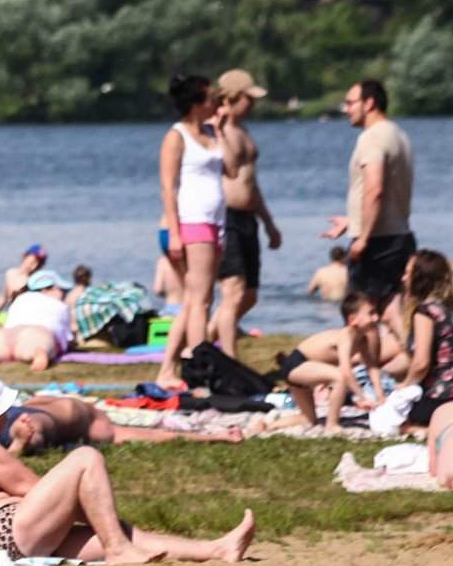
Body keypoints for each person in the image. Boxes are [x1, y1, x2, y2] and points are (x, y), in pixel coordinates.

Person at [0, 372, 255, 565]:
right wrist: (87, 504)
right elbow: (30, 488)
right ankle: (118, 550)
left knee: (121, 532)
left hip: (7, 539)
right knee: (86, 458)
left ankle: (216, 550)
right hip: (15, 532)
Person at [0, 391, 243, 456]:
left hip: (38, 419)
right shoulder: (52, 411)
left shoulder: (88, 420)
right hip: (25, 417)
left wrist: (210, 436)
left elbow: (139, 433)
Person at [155, 73, 224, 391]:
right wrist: (175, 232)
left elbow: (234, 166)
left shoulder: (212, 132)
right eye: (211, 98)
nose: (216, 103)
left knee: (198, 299)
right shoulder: (176, 136)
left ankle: (168, 369)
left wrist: (223, 130)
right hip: (190, 221)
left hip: (216, 223)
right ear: (196, 103)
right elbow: (168, 188)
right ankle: (199, 371)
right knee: (199, 301)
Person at [324, 78, 414, 317]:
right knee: (391, 307)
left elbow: (375, 189)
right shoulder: (398, 134)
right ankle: (410, 351)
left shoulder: (371, 137)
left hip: (376, 240)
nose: (346, 109)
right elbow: (387, 192)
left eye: (351, 103)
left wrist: (362, 237)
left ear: (370, 103)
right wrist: (351, 220)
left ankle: (368, 355)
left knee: (359, 312)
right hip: (399, 236)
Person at [210, 70, 282, 360]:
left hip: (248, 217)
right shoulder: (218, 126)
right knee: (233, 292)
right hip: (226, 216)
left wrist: (269, 223)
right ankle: (229, 360)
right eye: (248, 98)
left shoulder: (243, 129)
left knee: (249, 295)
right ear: (233, 97)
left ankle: (201, 343)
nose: (252, 104)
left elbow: (251, 183)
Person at [276, 293, 393, 429]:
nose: (376, 318)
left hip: (304, 369)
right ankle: (332, 424)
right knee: (339, 376)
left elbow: (372, 367)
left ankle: (266, 426)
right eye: (371, 313)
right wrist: (362, 397)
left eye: (376, 313)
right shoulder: (345, 336)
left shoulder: (362, 341)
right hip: (296, 364)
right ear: (353, 320)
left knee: (309, 420)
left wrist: (380, 396)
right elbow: (346, 371)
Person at [396, 249, 453, 428]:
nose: (403, 278)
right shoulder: (449, 309)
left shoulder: (424, 312)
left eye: (407, 273)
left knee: (390, 415)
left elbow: (421, 363)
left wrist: (404, 386)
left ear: (419, 278)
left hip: (438, 398)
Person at [0, 244, 48, 316]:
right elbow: (4, 297)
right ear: (25, 256)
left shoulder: (34, 282)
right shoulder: (10, 273)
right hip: (10, 315)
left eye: (39, 264)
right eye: (33, 261)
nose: (35, 266)